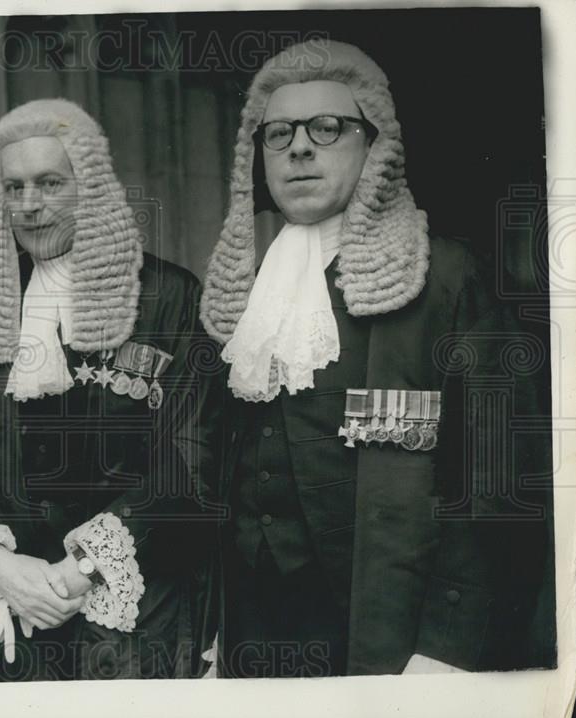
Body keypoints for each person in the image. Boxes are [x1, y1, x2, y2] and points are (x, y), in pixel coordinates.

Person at [200, 39, 554, 677]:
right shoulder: (241, 291)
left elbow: (496, 485)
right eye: (277, 134)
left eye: (327, 128)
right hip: (256, 635)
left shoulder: (444, 277)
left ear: (373, 148)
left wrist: (446, 650)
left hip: (391, 638)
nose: (299, 148)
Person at [0, 99, 221, 681]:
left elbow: (195, 453)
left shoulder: (168, 298)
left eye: (49, 183)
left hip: (137, 616)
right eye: (13, 188)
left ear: (90, 186)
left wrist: (82, 567)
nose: (30, 205)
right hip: (13, 617)